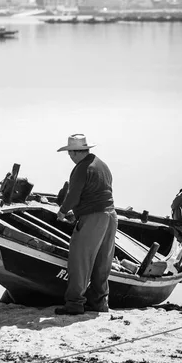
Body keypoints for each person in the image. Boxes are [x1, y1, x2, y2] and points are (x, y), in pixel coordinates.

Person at [55, 133, 117, 315]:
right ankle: (99, 303)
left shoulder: (82, 168)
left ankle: (74, 304)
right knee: (102, 262)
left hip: (93, 219)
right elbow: (96, 193)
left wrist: (63, 211)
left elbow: (73, 195)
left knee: (79, 260)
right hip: (111, 216)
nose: (70, 157)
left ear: (75, 152)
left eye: (69, 153)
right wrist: (79, 211)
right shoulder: (101, 165)